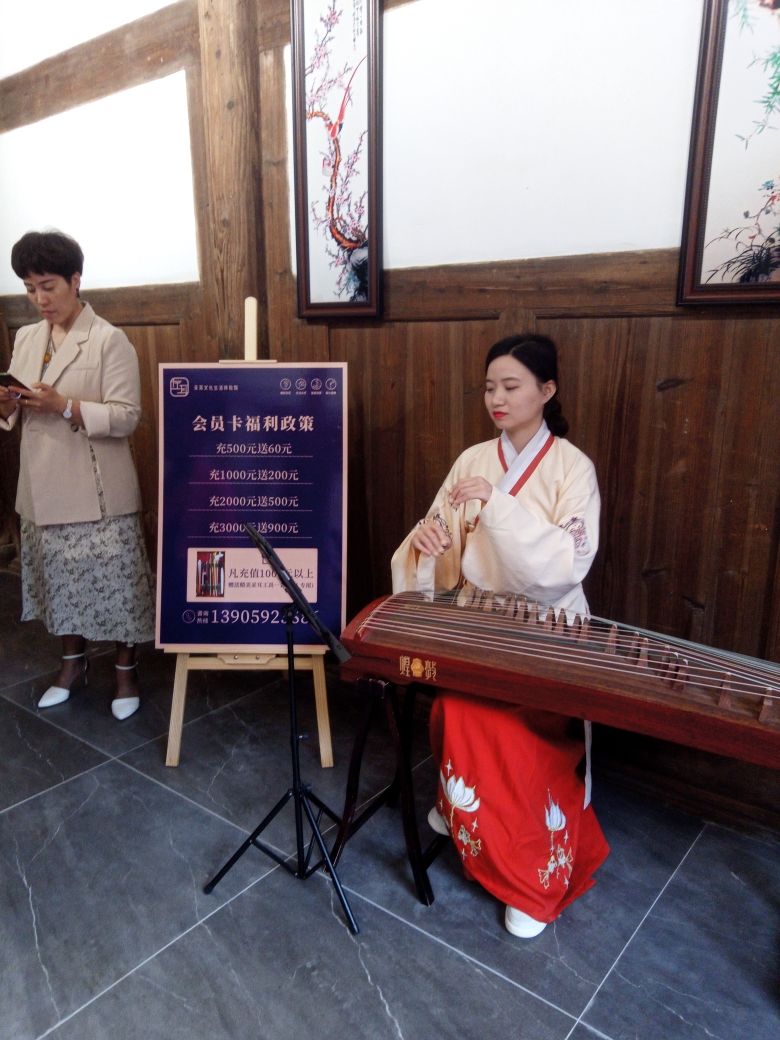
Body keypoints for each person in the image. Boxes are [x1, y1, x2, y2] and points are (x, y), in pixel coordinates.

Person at [391, 332, 609, 938]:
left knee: (511, 733)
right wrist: (427, 544)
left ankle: (530, 874)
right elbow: (442, 541)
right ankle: (463, 808)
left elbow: (567, 562)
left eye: (511, 386)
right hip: (478, 625)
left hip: (550, 631)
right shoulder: (472, 459)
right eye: (490, 387)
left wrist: (499, 506)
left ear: (547, 390)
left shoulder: (573, 468)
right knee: (456, 708)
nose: (497, 398)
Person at [0, 230, 155, 720]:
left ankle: (126, 671)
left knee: (118, 584)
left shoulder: (108, 339)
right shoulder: (27, 338)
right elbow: (16, 409)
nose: (40, 299)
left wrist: (65, 406)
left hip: (97, 489)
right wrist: (7, 404)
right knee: (60, 584)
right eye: (30, 288)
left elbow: (127, 416)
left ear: (75, 280)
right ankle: (71, 664)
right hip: (41, 486)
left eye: (48, 286)